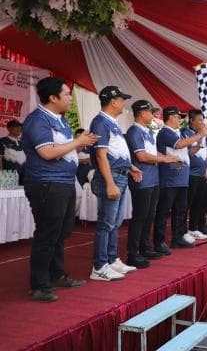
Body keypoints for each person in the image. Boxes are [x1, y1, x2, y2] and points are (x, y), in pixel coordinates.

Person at [22, 77, 98, 302]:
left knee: (62, 231)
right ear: (53, 98)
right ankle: (39, 284)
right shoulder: (38, 120)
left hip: (64, 181)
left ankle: (56, 274)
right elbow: (47, 152)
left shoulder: (62, 121)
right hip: (47, 182)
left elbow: (63, 149)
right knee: (47, 232)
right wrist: (77, 142)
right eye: (66, 95)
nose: (69, 99)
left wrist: (79, 142)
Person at [89, 86, 142, 281]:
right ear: (113, 101)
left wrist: (129, 166)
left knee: (115, 222)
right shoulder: (100, 122)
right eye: (121, 99)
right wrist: (110, 183)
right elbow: (101, 155)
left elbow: (115, 151)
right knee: (106, 223)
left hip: (119, 174)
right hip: (110, 176)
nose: (123, 103)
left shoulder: (111, 122)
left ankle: (111, 260)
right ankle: (99, 266)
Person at [126, 100, 181, 269]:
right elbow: (142, 156)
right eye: (151, 112)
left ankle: (145, 247)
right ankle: (133, 253)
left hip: (153, 179)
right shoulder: (134, 131)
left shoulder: (148, 131)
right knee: (140, 217)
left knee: (149, 216)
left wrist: (169, 158)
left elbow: (152, 152)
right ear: (142, 113)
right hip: (142, 180)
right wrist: (165, 158)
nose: (153, 115)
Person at [155, 107, 205, 252]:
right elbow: (178, 146)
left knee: (181, 210)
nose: (180, 120)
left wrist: (198, 141)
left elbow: (183, 154)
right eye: (178, 117)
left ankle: (178, 237)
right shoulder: (165, 132)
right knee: (164, 211)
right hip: (170, 179)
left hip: (181, 178)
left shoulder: (175, 133)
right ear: (170, 117)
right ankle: (159, 242)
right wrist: (200, 134)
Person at [181, 109, 207, 239]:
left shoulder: (201, 134)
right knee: (188, 203)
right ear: (191, 120)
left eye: (202, 120)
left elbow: (203, 154)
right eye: (199, 120)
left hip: (201, 173)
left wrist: (205, 170)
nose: (202, 122)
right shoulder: (185, 133)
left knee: (200, 202)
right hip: (190, 173)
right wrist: (199, 141)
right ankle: (183, 231)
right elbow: (186, 153)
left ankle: (194, 228)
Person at [0, 119, 26, 185]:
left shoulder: (24, 142)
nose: (19, 128)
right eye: (15, 126)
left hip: (25, 177)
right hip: (9, 178)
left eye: (20, 126)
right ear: (9, 129)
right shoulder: (2, 141)